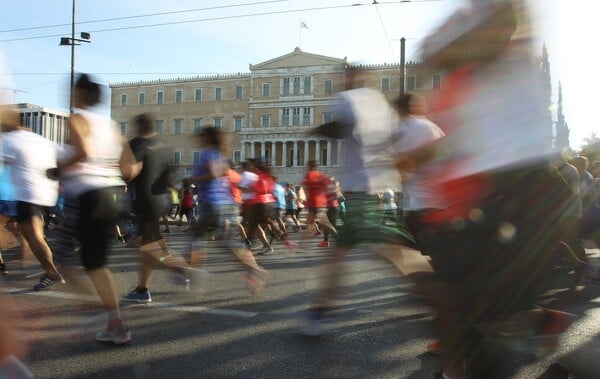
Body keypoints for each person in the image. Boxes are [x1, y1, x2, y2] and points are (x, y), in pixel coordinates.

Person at [54, 73, 140, 344]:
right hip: (107, 196)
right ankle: (115, 322)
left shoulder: (76, 119)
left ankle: (90, 309)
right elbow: (130, 167)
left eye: (72, 91)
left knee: (61, 256)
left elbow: (83, 152)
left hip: (84, 195)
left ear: (80, 94)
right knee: (96, 263)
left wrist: (59, 169)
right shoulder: (111, 125)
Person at [122, 113, 202, 304]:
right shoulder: (166, 147)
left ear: (139, 127)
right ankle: (143, 288)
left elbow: (130, 172)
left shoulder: (137, 144)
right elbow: (168, 178)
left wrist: (122, 156)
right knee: (152, 242)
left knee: (146, 248)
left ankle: (179, 270)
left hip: (144, 201)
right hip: (160, 201)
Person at [190, 126, 268, 294]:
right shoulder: (220, 155)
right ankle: (253, 269)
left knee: (197, 238)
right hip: (226, 203)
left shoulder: (207, 153)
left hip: (211, 203)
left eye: (201, 136)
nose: (198, 139)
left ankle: (191, 275)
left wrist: (193, 178)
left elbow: (213, 174)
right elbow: (231, 178)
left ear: (207, 138)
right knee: (228, 243)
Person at [1, 109, 64, 290]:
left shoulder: (11, 140)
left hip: (28, 195)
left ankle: (52, 271)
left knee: (34, 236)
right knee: (28, 233)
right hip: (47, 195)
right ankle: (47, 270)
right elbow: (63, 159)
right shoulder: (41, 139)